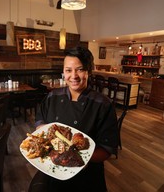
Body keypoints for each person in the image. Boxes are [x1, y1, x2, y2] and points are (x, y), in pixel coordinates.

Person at [33, 46, 119, 192]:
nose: (74, 75)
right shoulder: (53, 96)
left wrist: (79, 158)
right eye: (68, 70)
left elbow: (107, 149)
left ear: (89, 72)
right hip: (52, 169)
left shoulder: (103, 104)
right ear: (63, 73)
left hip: (87, 175)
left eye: (80, 69)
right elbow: (40, 119)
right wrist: (42, 131)